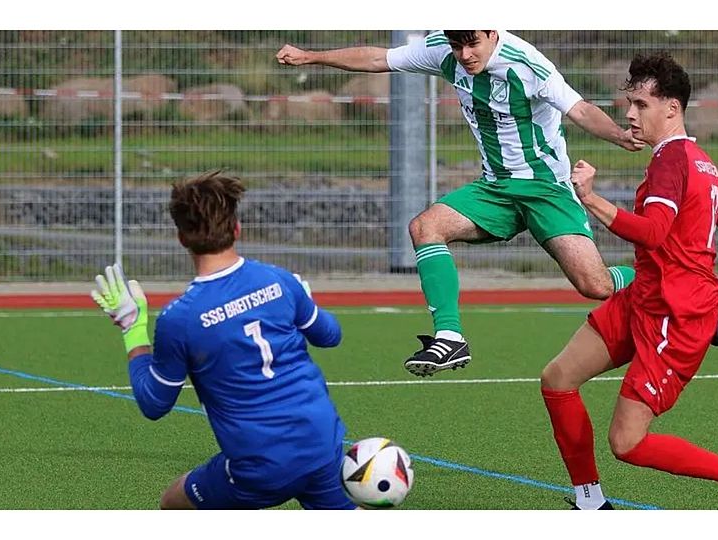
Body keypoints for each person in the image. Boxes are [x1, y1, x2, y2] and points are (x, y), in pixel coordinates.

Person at [276, 30, 646, 377]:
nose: (465, 55)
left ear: (491, 33)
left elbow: (579, 109)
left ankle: (656, 279)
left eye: (472, 44)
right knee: (425, 227)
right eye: (457, 46)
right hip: (495, 189)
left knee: (596, 286)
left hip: (545, 189)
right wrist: (312, 57)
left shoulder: (527, 63)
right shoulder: (443, 48)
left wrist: (619, 136)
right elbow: (378, 59)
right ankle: (450, 338)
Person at [539, 52, 718, 510]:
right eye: (629, 103)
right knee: (558, 378)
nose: (629, 114)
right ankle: (590, 502)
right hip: (645, 296)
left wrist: (591, 200)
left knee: (627, 442)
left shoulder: (673, 162)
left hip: (676, 316)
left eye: (640, 104)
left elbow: (654, 232)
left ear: (671, 109)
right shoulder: (700, 161)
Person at [90, 170, 356, 510]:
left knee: (174, 502)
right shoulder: (280, 280)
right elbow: (330, 336)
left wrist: (133, 328)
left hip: (260, 468)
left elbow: (153, 404)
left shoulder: (180, 319)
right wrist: (304, 298)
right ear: (236, 228)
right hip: (323, 445)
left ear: (181, 238)